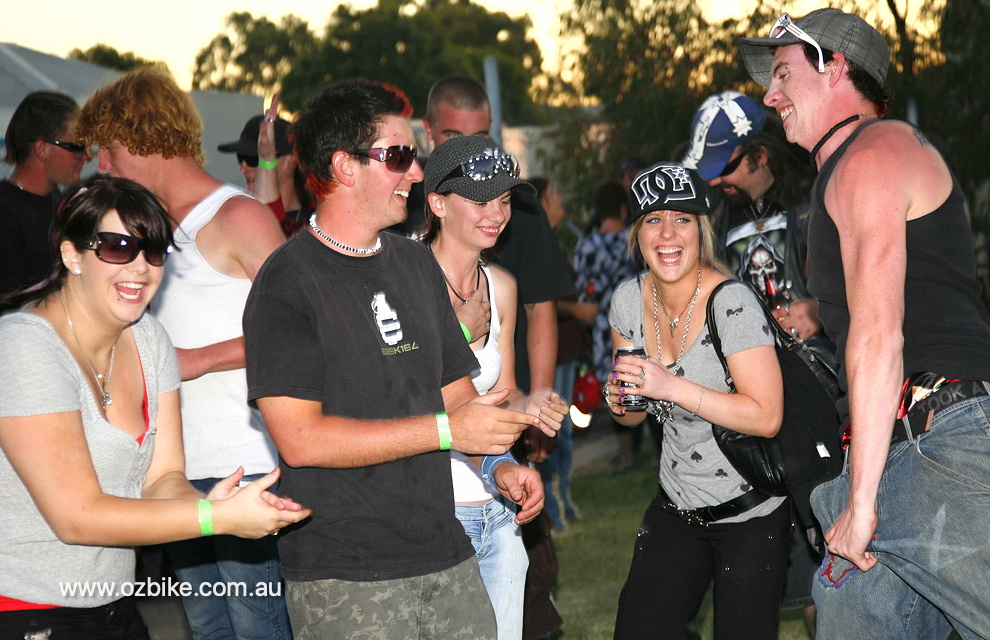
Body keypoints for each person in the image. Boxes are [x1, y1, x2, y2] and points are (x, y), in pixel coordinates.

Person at [242, 78, 557, 640]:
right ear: (344, 166)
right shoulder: (286, 282)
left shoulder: (415, 267)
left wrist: (499, 467)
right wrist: (444, 430)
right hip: (345, 575)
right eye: (400, 156)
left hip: (445, 553)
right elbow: (301, 440)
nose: (416, 173)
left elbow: (458, 400)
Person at [739, 9, 990, 639]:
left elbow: (879, 335)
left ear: (834, 67)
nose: (771, 96)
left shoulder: (873, 153)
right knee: (848, 614)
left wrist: (861, 502)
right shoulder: (852, 168)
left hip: (942, 444)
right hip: (902, 446)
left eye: (784, 74)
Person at [0, 175, 309, 640]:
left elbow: (163, 480)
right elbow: (76, 516)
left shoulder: (148, 339)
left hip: (113, 603)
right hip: (26, 608)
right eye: (118, 246)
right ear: (71, 255)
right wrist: (215, 519)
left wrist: (213, 503)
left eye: (154, 251)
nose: (141, 267)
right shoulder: (23, 347)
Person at [76, 68, 292, 640]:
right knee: (206, 629)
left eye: (110, 147)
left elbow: (303, 331)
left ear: (146, 138)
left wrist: (191, 361)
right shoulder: (148, 233)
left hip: (246, 463)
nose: (102, 163)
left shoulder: (238, 216)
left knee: (259, 629)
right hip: (173, 472)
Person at [606, 162, 789, 639]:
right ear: (637, 232)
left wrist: (670, 386)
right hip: (677, 504)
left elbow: (767, 416)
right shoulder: (628, 301)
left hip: (750, 510)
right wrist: (620, 403)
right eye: (653, 219)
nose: (667, 233)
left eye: (682, 219)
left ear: (702, 230)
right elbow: (630, 418)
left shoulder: (732, 304)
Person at [683, 89, 824, 633]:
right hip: (752, 413)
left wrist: (822, 311)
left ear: (761, 156)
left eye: (728, 166)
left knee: (828, 570)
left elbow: (879, 296)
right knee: (758, 569)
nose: (719, 180)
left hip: (825, 405)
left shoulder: (820, 201)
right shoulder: (714, 220)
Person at [421, 135, 566, 640]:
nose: (497, 213)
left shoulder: (500, 285)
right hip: (434, 513)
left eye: (504, 200)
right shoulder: (404, 282)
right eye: (481, 200)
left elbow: (503, 393)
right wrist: (458, 330)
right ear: (437, 203)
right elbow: (404, 400)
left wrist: (536, 404)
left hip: (500, 505)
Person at [530, 176, 588, 531]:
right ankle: (553, 509)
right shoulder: (537, 244)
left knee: (562, 432)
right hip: (552, 354)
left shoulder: (553, 241)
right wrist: (577, 311)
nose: (561, 199)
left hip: (567, 350)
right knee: (552, 431)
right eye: (554, 194)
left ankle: (562, 501)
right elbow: (543, 302)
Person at [574, 180, 640, 472]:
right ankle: (656, 453)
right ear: (623, 207)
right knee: (648, 382)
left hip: (603, 327)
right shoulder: (635, 241)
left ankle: (626, 456)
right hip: (639, 322)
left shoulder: (586, 245)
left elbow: (579, 288)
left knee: (618, 391)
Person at [0, 91, 87, 299]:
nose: (86, 156)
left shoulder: (60, 202)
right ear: (42, 150)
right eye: (76, 146)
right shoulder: (4, 214)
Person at [217, 97, 311, 236]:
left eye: (253, 159)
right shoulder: (235, 222)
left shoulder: (320, 222)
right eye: (241, 158)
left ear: (290, 161)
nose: (244, 168)